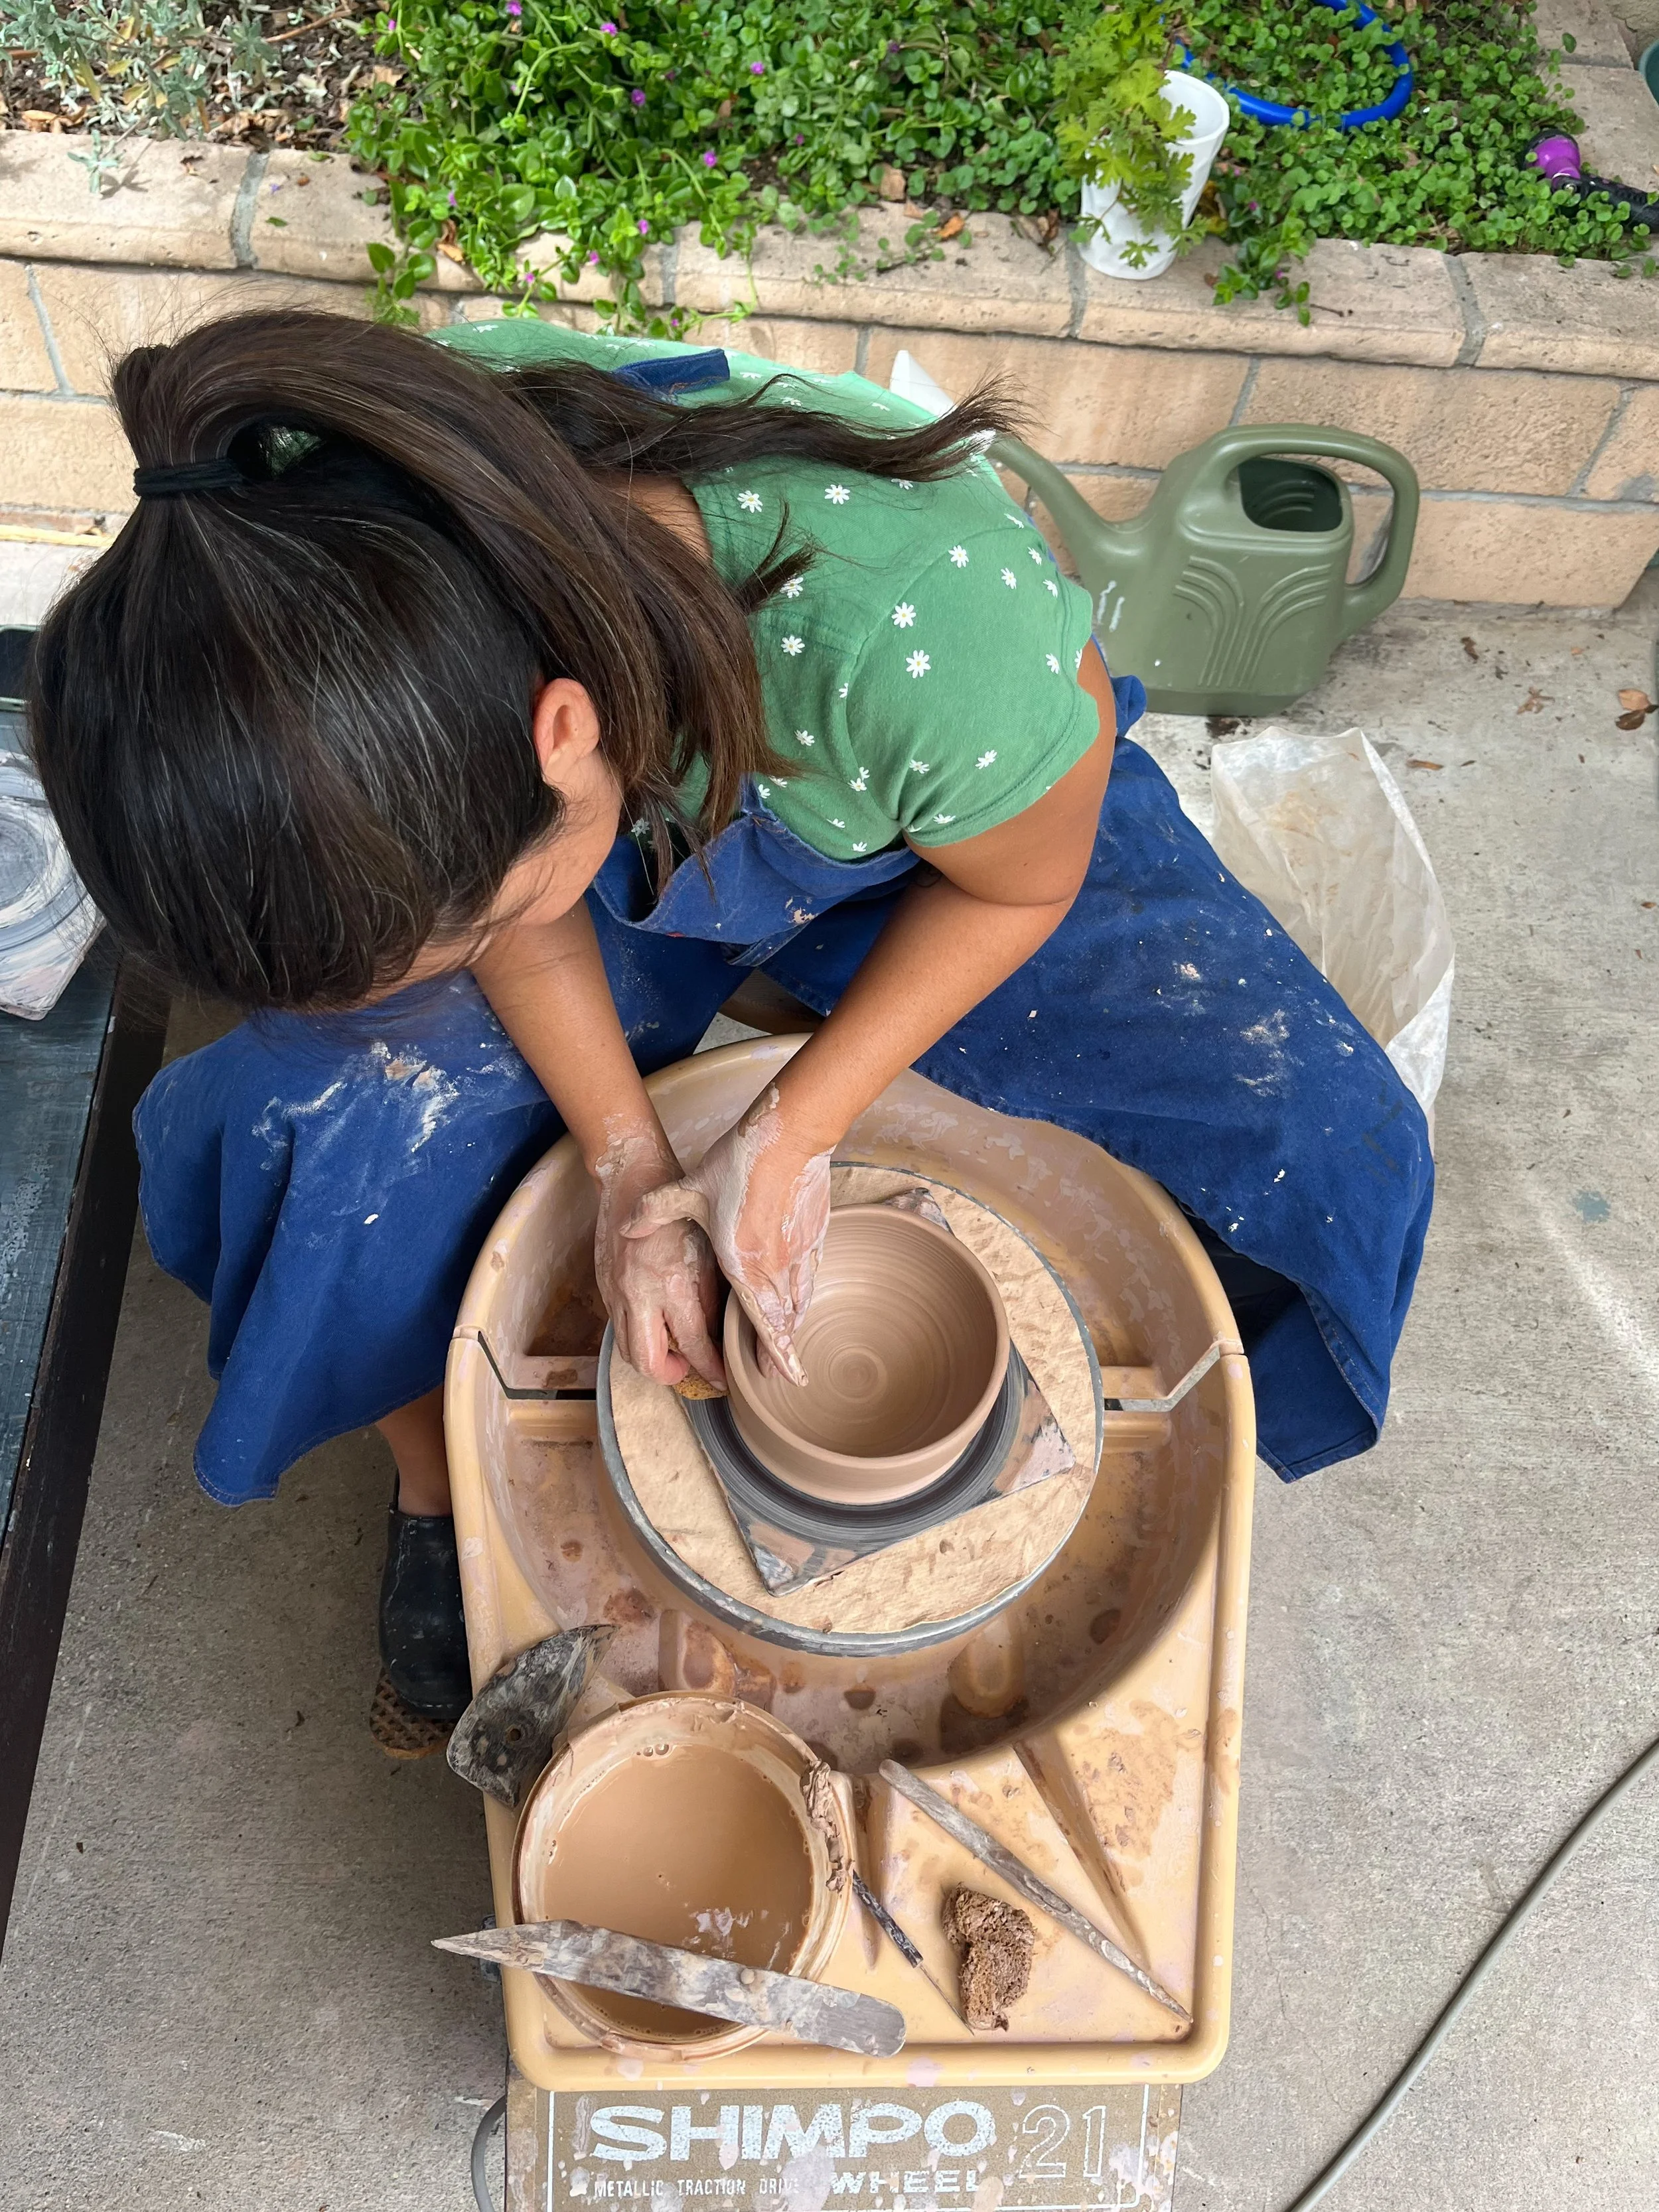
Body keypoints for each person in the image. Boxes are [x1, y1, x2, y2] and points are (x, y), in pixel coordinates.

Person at [28, 311, 1433, 1723]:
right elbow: (516, 915)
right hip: (610, 841)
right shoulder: (339, 582)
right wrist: (631, 1164)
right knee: (307, 1115)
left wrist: (795, 1124)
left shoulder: (922, 619)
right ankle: (435, 1471)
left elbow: (1019, 888)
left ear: (562, 731)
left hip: (922, 830)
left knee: (1316, 1148)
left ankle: (1091, 1453)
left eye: (439, 938)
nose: (432, 964)